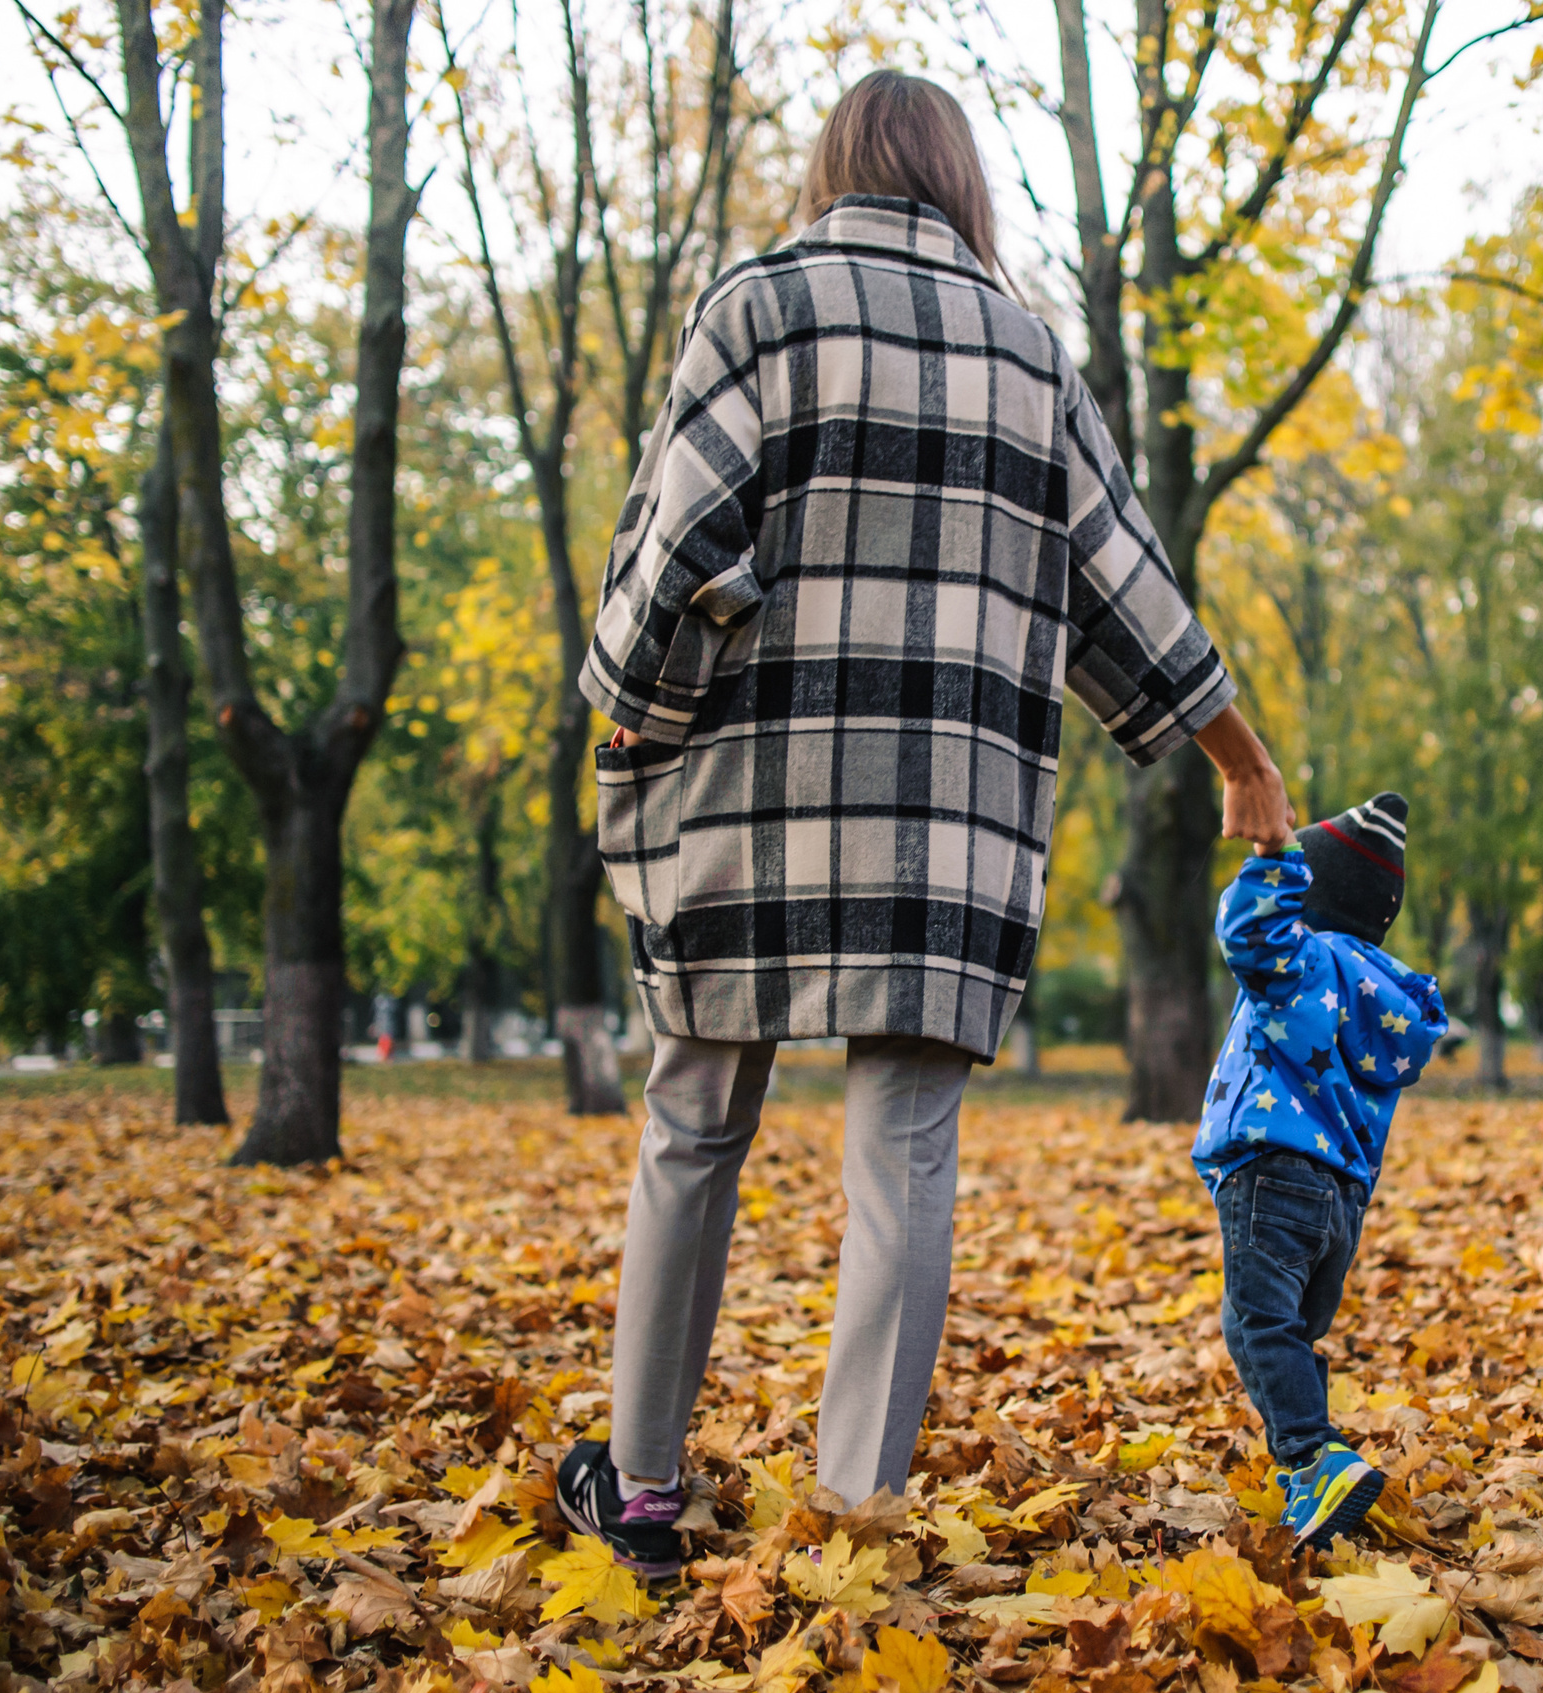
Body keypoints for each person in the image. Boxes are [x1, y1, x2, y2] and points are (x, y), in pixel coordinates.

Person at [557, 69, 1295, 1576]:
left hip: (747, 807)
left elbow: (676, 541)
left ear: (838, 167)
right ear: (961, 183)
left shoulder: (758, 305)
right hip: (943, 830)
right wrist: (1245, 760)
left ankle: (639, 1491)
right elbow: (1129, 592)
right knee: (905, 1153)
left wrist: (631, 706)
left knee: (693, 1121)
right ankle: (851, 1519)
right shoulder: (1033, 356)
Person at [1192, 793, 1447, 1550]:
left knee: (1255, 1326)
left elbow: (1246, 933)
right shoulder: (1389, 1000)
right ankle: (1317, 1479)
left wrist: (1276, 858)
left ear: (1315, 896)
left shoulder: (1305, 963)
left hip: (1271, 1176)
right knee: (1291, 1334)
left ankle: (1311, 1457)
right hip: (1341, 1203)